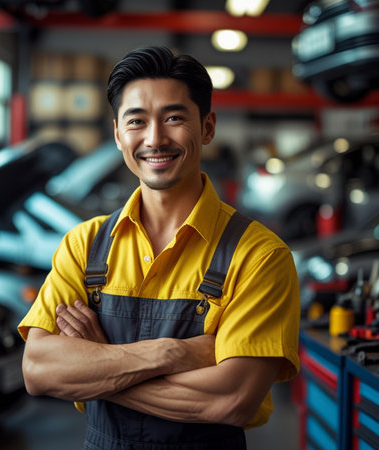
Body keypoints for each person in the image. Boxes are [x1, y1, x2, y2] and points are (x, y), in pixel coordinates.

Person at [18, 46, 300, 450]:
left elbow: (233, 399)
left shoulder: (259, 256)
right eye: (136, 121)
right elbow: (39, 369)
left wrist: (97, 365)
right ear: (118, 134)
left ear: (206, 127)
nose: (154, 139)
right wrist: (170, 353)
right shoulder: (84, 245)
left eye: (173, 118)